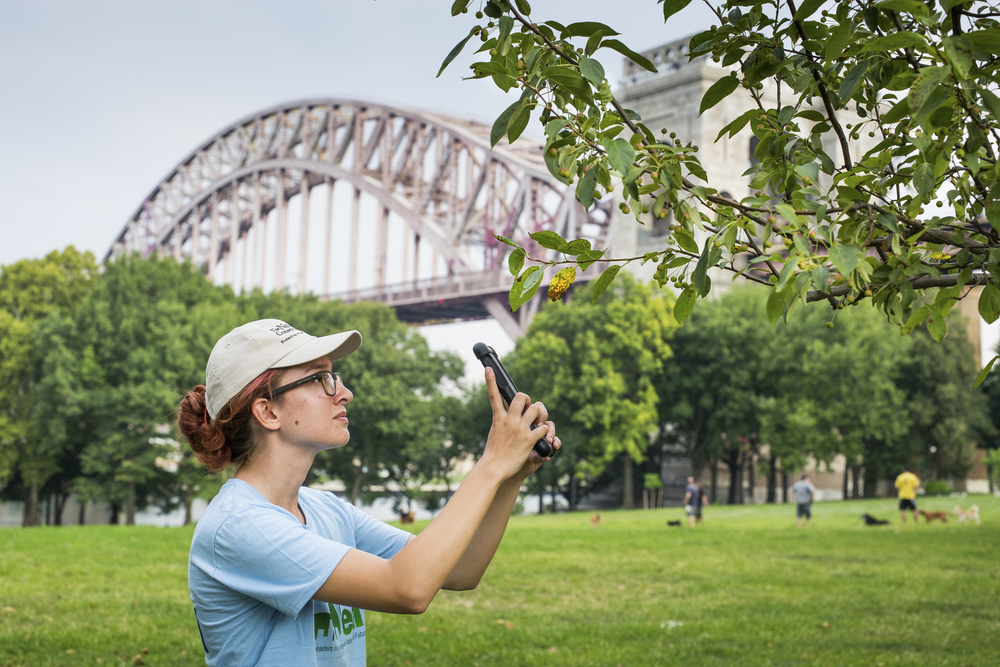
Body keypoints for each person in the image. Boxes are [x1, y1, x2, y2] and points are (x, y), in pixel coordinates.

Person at [176, 319, 560, 666]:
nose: (344, 393)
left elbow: (458, 571)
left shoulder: (325, 509)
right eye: (320, 379)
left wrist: (511, 474)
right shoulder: (239, 527)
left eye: (336, 377)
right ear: (268, 411)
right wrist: (491, 463)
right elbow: (408, 588)